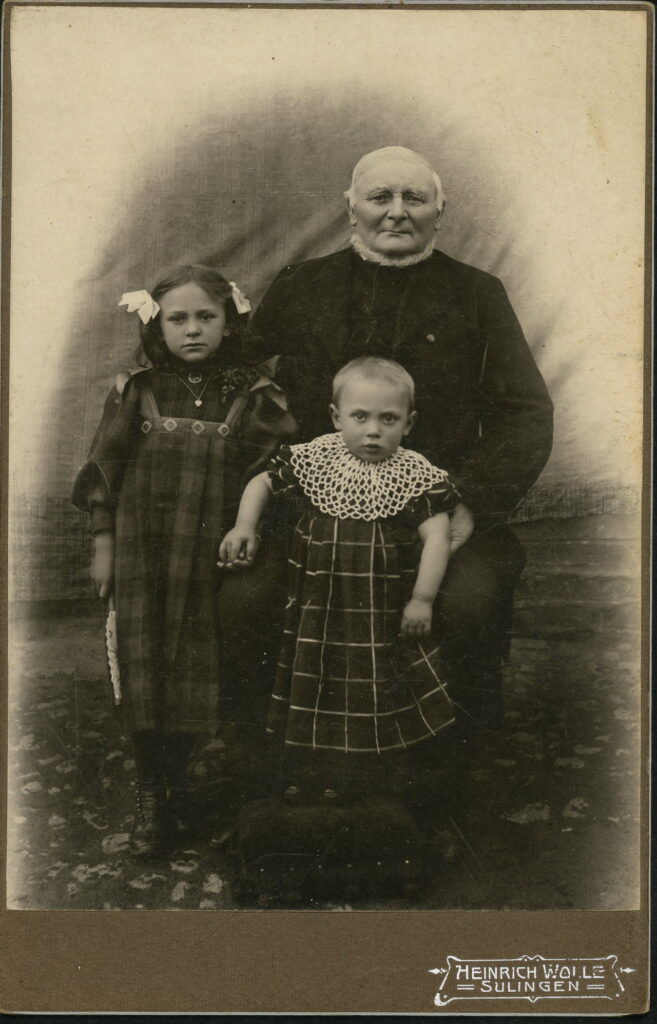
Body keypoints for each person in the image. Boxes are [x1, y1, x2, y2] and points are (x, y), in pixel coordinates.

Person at [248, 145, 553, 732]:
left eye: (414, 198)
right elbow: (240, 377)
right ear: (350, 208)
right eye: (379, 197)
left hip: (438, 512)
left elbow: (526, 412)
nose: (396, 212)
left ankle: (448, 771)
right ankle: (274, 758)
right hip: (312, 508)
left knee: (468, 605)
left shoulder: (478, 294)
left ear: (440, 210)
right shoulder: (301, 285)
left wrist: (469, 500)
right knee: (246, 599)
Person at [72, 263, 294, 858]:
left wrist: (248, 531)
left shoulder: (252, 394)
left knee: (204, 667)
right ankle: (151, 793)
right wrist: (104, 545)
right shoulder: (137, 390)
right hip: (144, 553)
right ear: (158, 326)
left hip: (210, 555)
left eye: (206, 317)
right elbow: (104, 472)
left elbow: (271, 473)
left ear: (229, 322)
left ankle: (189, 788)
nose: (192, 329)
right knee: (144, 669)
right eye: (178, 319)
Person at [219, 357, 461, 804]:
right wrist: (243, 527)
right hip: (318, 601)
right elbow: (262, 483)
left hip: (379, 606)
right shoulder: (317, 457)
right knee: (314, 679)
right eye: (360, 417)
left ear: (409, 424)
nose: (373, 431)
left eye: (388, 419)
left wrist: (422, 599)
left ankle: (377, 778)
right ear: (336, 417)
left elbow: (437, 539)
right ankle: (312, 773)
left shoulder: (415, 474)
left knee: (380, 684)